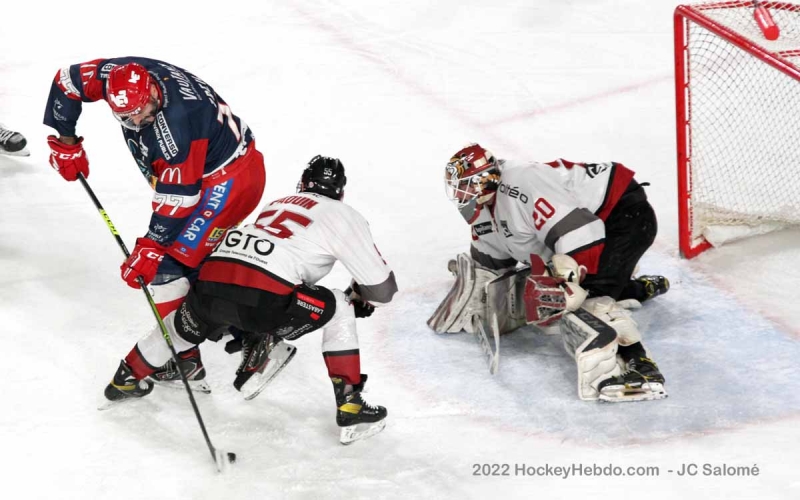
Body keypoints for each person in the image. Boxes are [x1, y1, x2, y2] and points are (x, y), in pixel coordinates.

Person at [103, 155, 398, 444]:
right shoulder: (343, 214)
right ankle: (351, 405)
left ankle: (125, 377)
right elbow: (381, 292)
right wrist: (359, 295)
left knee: (180, 329)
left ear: (302, 184)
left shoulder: (277, 204)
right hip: (265, 299)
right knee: (339, 307)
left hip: (210, 282)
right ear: (340, 192)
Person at [43, 57, 266, 391]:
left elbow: (179, 199)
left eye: (141, 109)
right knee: (192, 261)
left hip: (227, 183)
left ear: (150, 89)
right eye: (126, 115)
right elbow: (67, 81)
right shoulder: (116, 77)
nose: (136, 119)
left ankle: (200, 353)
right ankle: (236, 337)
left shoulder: (176, 126)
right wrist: (66, 141)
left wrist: (150, 247)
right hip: (209, 174)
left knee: (166, 265)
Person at [436, 143, 669, 402]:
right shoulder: (484, 205)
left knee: (590, 301)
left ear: (486, 180)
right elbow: (491, 261)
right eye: (458, 186)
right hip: (590, 228)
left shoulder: (521, 183)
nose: (460, 193)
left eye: (467, 184)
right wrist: (477, 285)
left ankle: (643, 368)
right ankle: (633, 287)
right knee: (580, 286)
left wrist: (567, 283)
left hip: (621, 215)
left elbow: (581, 232)